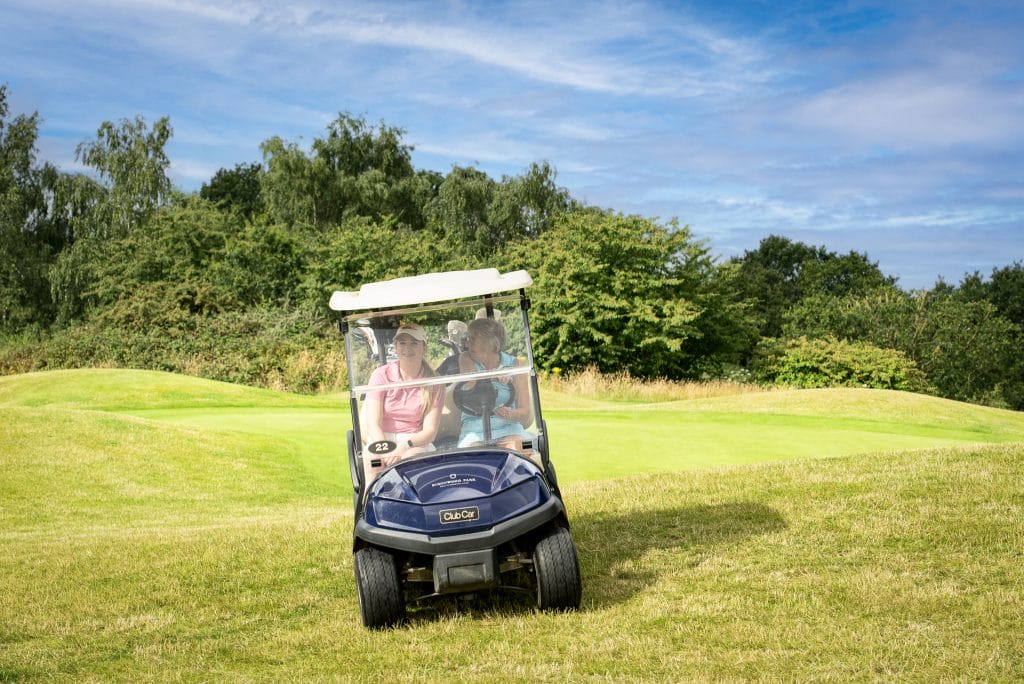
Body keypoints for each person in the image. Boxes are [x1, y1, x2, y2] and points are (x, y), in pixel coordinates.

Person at [363, 322, 444, 477]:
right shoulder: (381, 375)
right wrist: (387, 449)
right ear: (396, 346)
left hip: (414, 440)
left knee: (410, 461)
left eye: (414, 343)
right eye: (402, 343)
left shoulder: (434, 381)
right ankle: (371, 499)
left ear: (424, 347)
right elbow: (373, 423)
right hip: (382, 438)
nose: (407, 349)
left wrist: (404, 446)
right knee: (374, 462)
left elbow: (430, 431)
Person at [456, 317, 533, 450]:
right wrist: (494, 376)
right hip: (475, 430)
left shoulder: (515, 365)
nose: (467, 344)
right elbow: (471, 384)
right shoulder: (466, 358)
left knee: (525, 448)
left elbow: (525, 414)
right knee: (475, 455)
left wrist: (510, 413)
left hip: (509, 428)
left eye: (472, 339)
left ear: (490, 343)